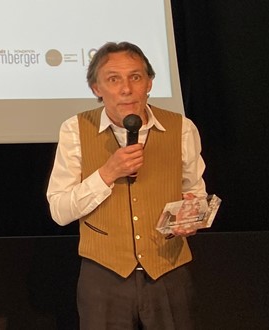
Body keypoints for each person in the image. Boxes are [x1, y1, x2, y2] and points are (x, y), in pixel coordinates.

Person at [46, 41, 207, 330]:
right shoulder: (75, 129)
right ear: (96, 88)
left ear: (149, 83)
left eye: (135, 77)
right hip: (104, 277)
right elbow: (59, 210)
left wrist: (192, 214)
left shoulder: (182, 128)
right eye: (113, 79)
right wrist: (107, 172)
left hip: (168, 271)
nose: (126, 89)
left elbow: (195, 191)